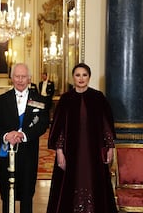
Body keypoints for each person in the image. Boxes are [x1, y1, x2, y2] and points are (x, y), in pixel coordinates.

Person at [46, 63, 117, 213]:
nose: (81, 78)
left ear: (89, 77)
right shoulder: (65, 99)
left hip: (94, 152)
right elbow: (59, 129)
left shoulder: (98, 97)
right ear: (73, 78)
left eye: (84, 75)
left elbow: (106, 125)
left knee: (95, 182)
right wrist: (59, 152)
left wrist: (110, 147)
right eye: (78, 75)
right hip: (70, 153)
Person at [0, 63, 49, 213]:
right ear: (12, 78)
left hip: (29, 153)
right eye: (17, 76)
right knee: (7, 193)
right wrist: (6, 135)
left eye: (24, 76)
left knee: (27, 194)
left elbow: (43, 124)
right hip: (7, 153)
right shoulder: (2, 100)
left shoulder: (40, 100)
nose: (20, 80)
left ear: (29, 78)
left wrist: (24, 135)